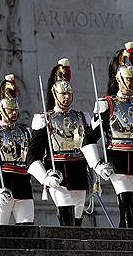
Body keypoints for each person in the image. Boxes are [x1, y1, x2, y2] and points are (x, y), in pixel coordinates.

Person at [83, 42, 133, 228]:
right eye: (129, 80)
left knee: (131, 208)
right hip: (117, 159)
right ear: (118, 79)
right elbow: (89, 139)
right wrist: (97, 164)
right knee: (127, 201)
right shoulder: (107, 104)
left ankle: (124, 243)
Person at [27, 58, 94, 226]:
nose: (66, 97)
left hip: (79, 172)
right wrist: (44, 178)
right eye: (62, 94)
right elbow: (32, 156)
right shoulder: (45, 119)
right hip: (57, 172)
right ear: (54, 93)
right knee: (66, 213)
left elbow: (89, 147)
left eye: (68, 93)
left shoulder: (82, 118)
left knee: (77, 218)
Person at [0, 74, 34, 225]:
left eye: (15, 109)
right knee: (0, 229)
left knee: (27, 226)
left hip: (23, 186)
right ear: (1, 109)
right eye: (10, 109)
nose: (14, 112)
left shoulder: (25, 132)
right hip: (1, 184)